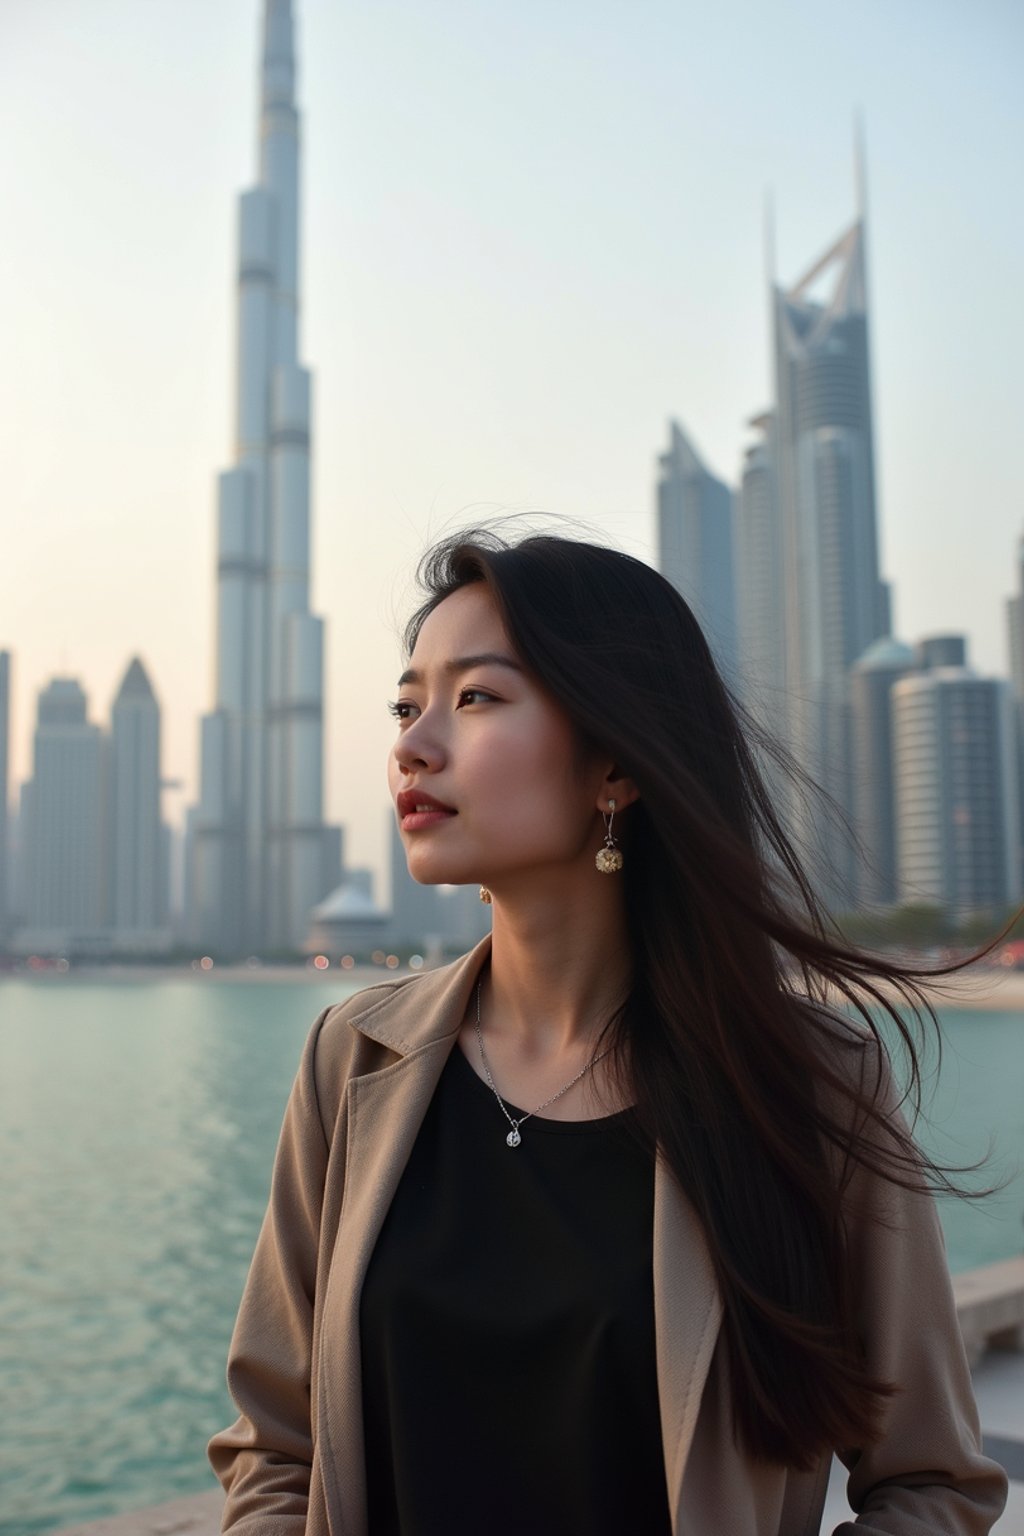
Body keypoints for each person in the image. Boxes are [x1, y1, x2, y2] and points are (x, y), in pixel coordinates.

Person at [209, 528, 1008, 1534]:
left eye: (476, 697)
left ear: (616, 766)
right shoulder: (354, 1059)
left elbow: (931, 1483)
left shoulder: (807, 1084)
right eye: (407, 705)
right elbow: (275, 1445)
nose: (412, 743)